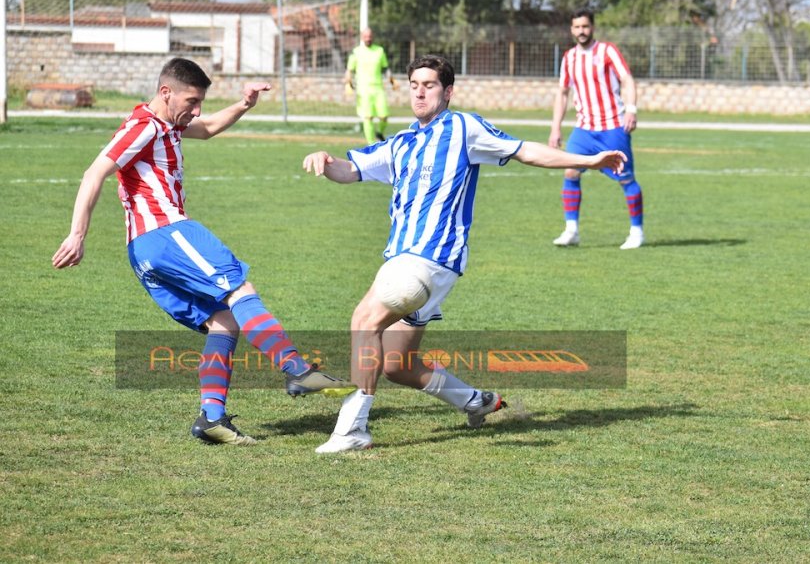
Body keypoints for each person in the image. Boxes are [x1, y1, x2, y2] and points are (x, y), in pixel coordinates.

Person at [302, 54, 627, 454]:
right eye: (414, 85)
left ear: (448, 91)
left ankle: (353, 430)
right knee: (397, 366)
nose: (420, 92)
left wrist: (588, 160)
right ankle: (478, 401)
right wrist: (325, 160)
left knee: (363, 319)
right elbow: (349, 170)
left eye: (430, 85)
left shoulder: (462, 128)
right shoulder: (401, 143)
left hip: (425, 259)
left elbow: (525, 150)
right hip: (417, 266)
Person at [52, 57, 352, 446]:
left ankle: (212, 419)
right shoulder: (143, 126)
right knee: (240, 289)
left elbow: (208, 129)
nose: (196, 110)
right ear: (166, 93)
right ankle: (297, 368)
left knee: (224, 322)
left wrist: (244, 105)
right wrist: (77, 234)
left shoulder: (166, 124)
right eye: (191, 101)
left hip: (144, 253)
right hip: (165, 233)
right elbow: (95, 172)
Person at [549, 8, 645, 250]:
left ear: (592, 27)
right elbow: (562, 93)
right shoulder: (569, 58)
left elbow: (627, 79)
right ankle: (572, 230)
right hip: (584, 129)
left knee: (625, 178)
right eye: (577, 27)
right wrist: (555, 128)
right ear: (571, 30)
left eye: (585, 26)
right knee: (570, 172)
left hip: (613, 126)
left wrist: (631, 109)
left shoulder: (607, 51)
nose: (581, 31)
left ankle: (637, 232)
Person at [344, 27, 398, 143]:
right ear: (362, 37)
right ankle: (371, 143)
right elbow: (349, 70)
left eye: (370, 36)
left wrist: (392, 81)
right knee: (368, 117)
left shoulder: (379, 51)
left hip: (378, 89)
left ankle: (379, 132)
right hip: (363, 90)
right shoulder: (356, 52)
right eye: (365, 36)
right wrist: (348, 83)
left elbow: (385, 68)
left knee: (384, 116)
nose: (368, 38)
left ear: (372, 37)